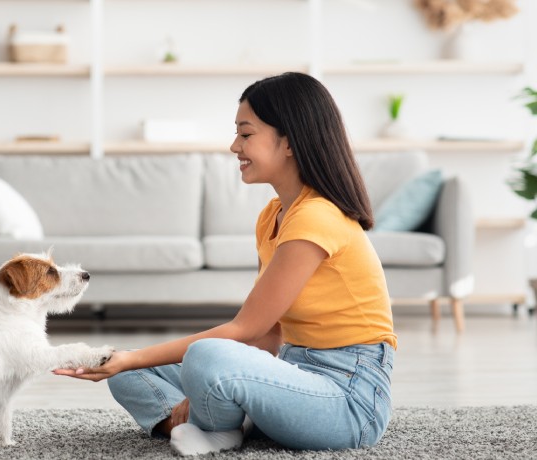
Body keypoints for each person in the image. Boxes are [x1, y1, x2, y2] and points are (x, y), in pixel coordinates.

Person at [53, 72, 397, 456]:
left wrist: (150, 362)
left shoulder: (317, 217)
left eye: (246, 134)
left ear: (289, 141)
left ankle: (218, 428)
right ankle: (219, 419)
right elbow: (270, 336)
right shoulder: (273, 216)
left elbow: (246, 329)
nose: (235, 146)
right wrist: (130, 362)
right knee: (131, 374)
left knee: (205, 355)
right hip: (293, 371)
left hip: (349, 401)